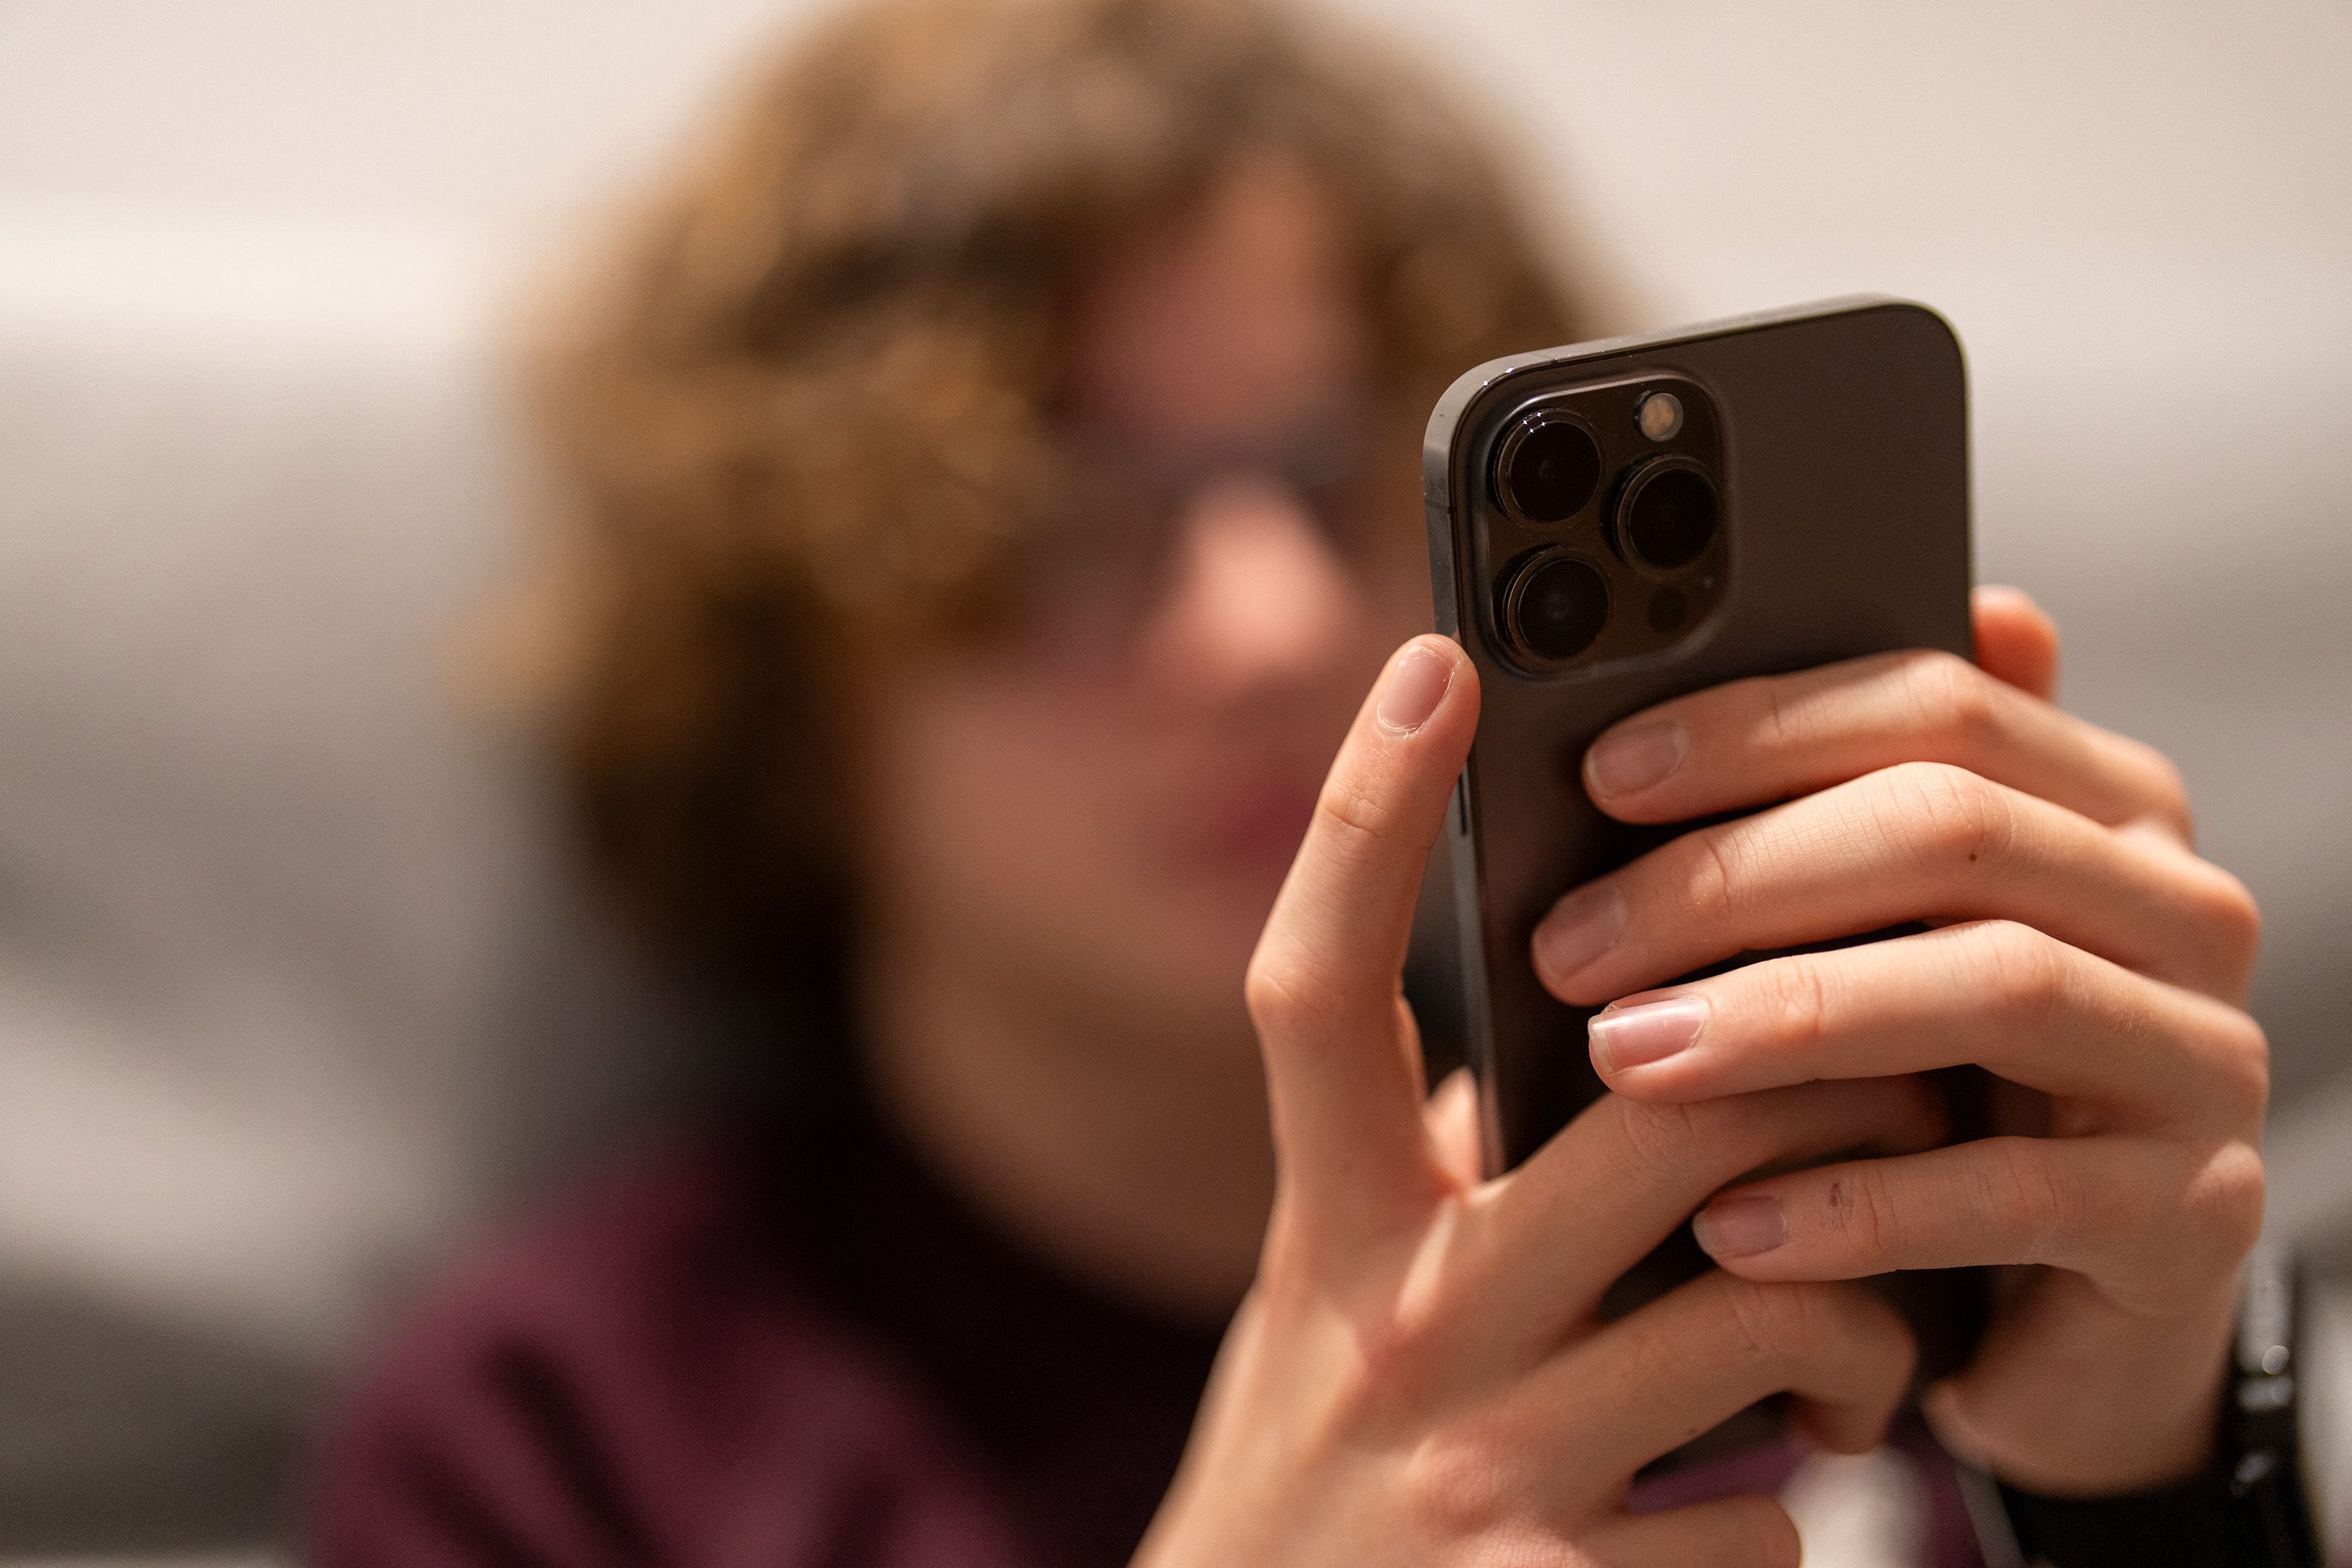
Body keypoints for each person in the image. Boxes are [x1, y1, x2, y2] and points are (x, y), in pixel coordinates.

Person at [306, 0, 2278, 1563]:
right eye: (1062, 524)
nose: (1264, 623)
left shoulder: (1821, 1167)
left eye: (1342, 472)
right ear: (783, 666)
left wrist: (2147, 1491)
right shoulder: (559, 1442)